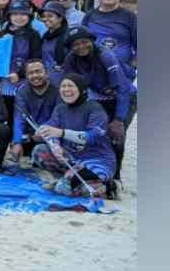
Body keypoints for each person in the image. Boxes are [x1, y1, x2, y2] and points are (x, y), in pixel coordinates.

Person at [62, 25, 134, 192]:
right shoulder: (70, 59)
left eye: (84, 42)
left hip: (124, 97)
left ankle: (116, 178)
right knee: (97, 135)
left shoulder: (106, 55)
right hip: (100, 97)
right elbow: (69, 84)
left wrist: (119, 120)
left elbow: (122, 89)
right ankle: (94, 170)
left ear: (92, 40)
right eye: (75, 44)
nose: (81, 46)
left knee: (115, 135)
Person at [31, 73, 116, 197]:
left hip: (97, 160)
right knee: (39, 151)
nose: (66, 89)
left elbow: (92, 137)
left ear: (81, 89)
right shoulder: (60, 108)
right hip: (72, 158)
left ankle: (107, 185)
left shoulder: (95, 108)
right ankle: (70, 176)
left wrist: (62, 133)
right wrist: (55, 145)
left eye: (70, 86)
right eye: (63, 86)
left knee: (63, 189)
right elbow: (50, 127)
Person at [81, 0, 137, 82]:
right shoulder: (89, 15)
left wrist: (133, 64)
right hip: (94, 72)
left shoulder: (129, 16)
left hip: (123, 73)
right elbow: (81, 41)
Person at [0, 0, 43, 119]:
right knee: (9, 114)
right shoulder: (1, 34)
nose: (19, 17)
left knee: (25, 115)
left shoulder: (34, 35)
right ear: (9, 16)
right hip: (6, 82)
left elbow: (36, 58)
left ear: (29, 16)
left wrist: (20, 74)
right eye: (15, 14)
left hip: (27, 81)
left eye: (23, 14)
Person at [8, 59, 60, 161]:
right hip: (32, 134)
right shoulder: (22, 92)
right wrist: (17, 142)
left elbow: (58, 118)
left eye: (38, 71)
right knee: (14, 143)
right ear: (26, 76)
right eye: (31, 73)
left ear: (47, 73)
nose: (35, 75)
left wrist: (43, 130)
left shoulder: (57, 90)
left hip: (51, 132)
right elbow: (19, 118)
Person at [39, 0, 69, 85]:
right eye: (44, 16)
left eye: (50, 16)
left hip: (62, 82)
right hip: (45, 81)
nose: (45, 19)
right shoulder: (45, 37)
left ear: (60, 18)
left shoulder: (67, 37)